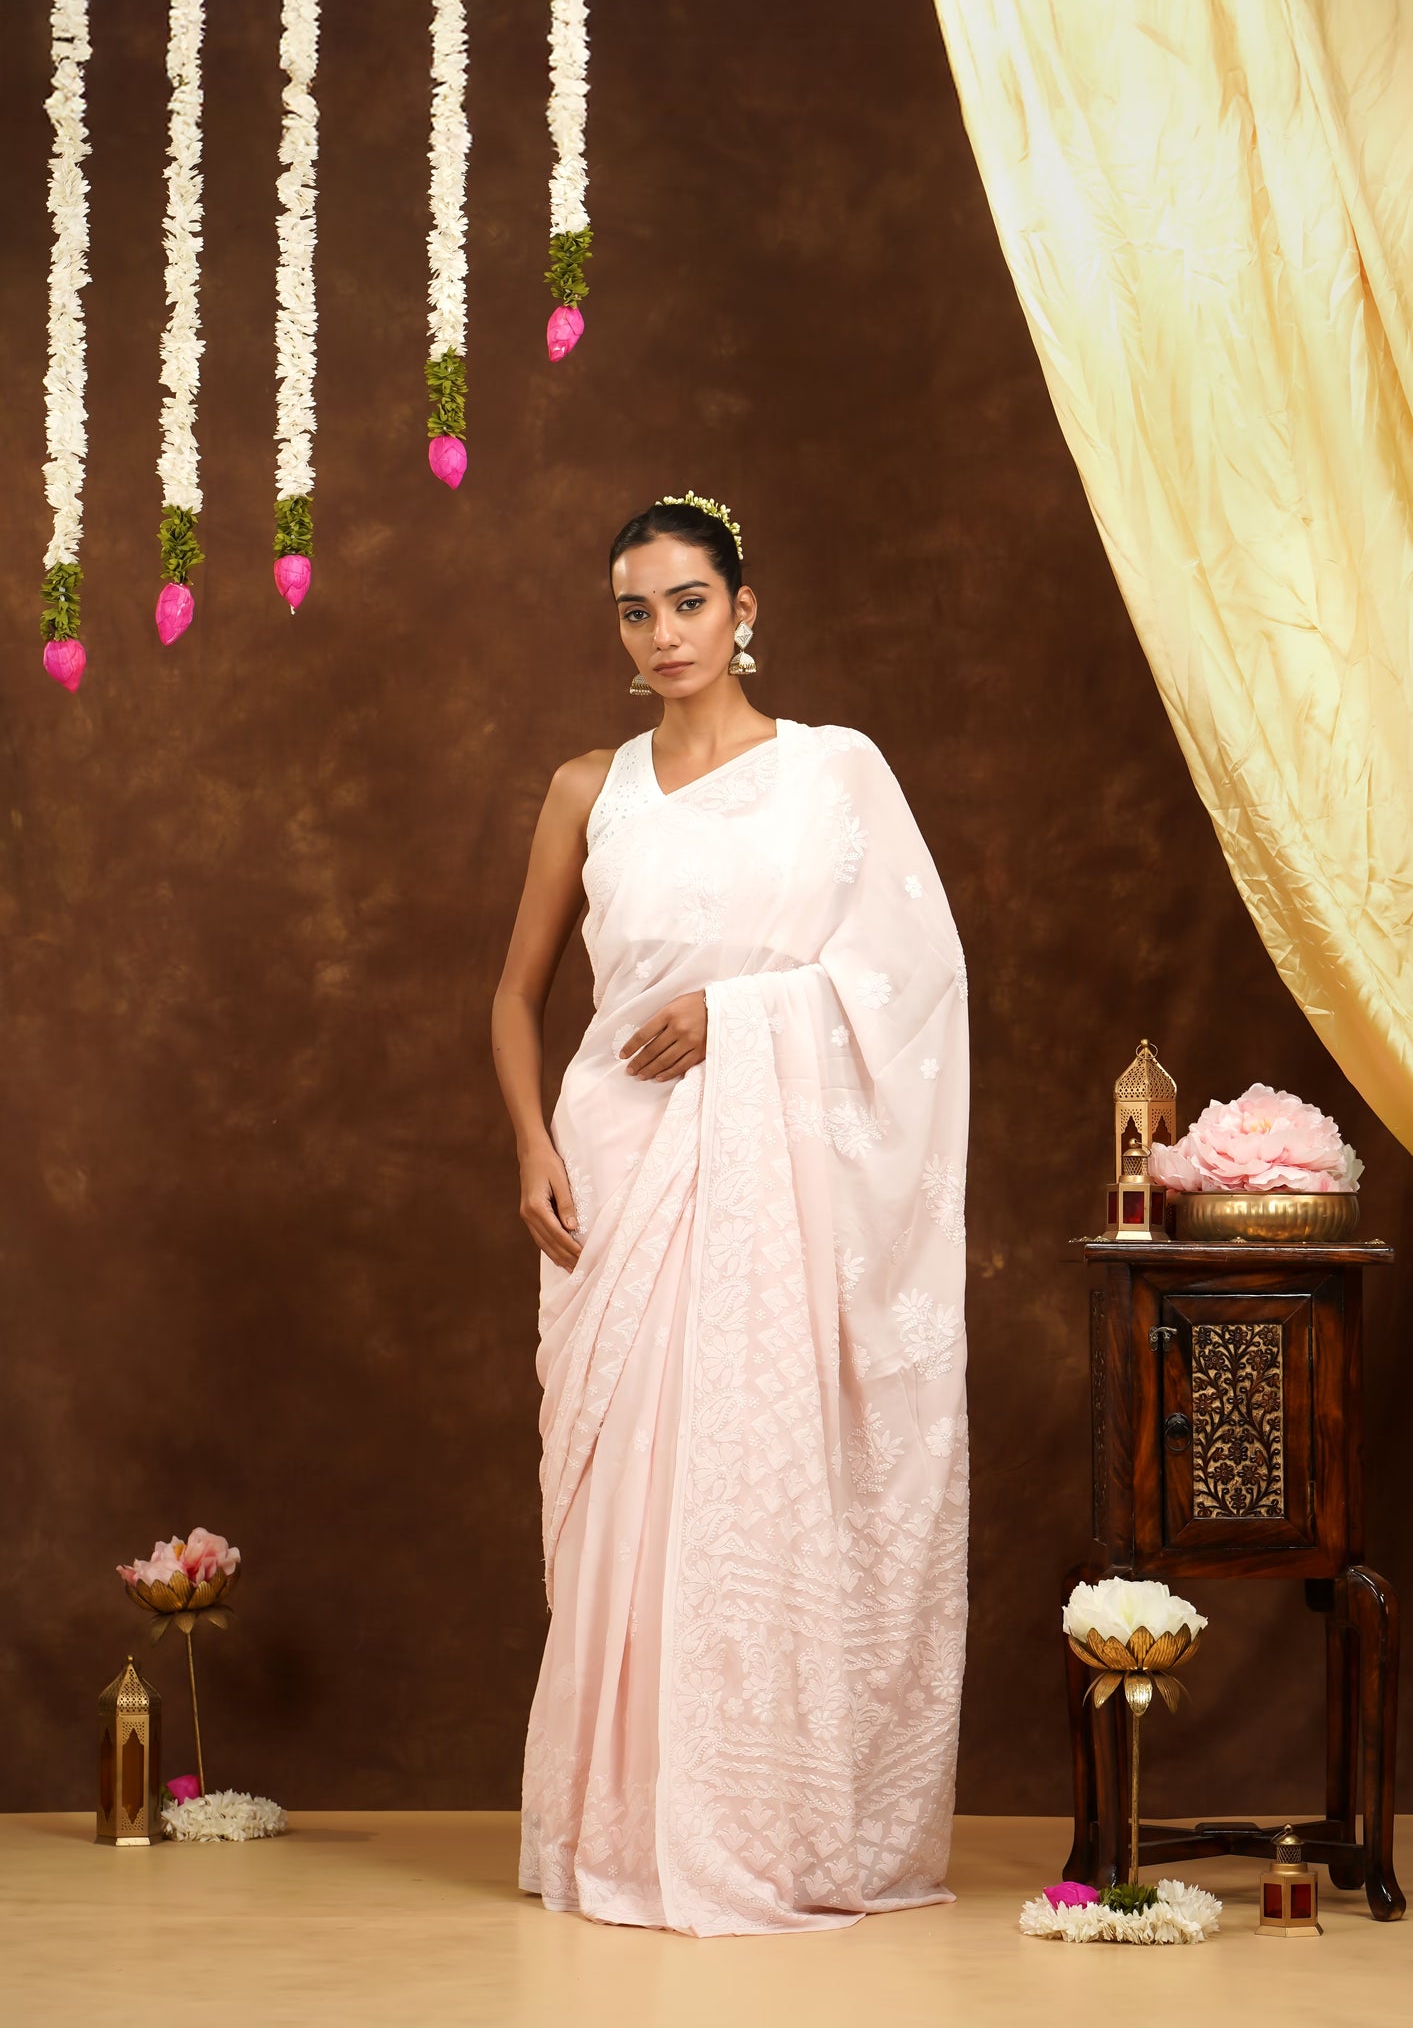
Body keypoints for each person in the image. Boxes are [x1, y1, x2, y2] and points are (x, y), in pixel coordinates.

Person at [491, 493, 969, 1937]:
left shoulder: (833, 773)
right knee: (619, 1503)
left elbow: (914, 981)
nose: (663, 634)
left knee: (745, 1484)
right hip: (615, 1168)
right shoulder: (590, 787)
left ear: (743, 608)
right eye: (635, 611)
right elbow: (515, 997)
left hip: (772, 1183)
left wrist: (739, 1015)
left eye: (688, 602)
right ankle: (619, 1831)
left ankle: (755, 1819)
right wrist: (530, 1147)